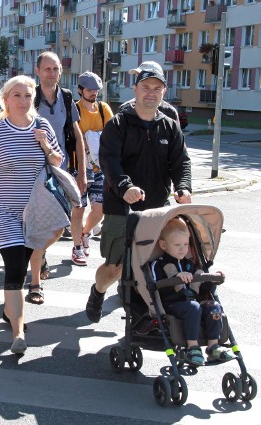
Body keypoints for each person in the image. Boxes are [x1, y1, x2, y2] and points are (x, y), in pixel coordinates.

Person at [85, 61, 192, 323]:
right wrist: (125, 187)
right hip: (121, 207)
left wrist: (183, 187)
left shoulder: (169, 126)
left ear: (163, 92)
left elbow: (181, 162)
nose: (151, 93)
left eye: (157, 88)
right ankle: (98, 291)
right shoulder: (119, 123)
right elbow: (109, 160)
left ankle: (144, 319)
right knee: (115, 267)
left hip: (156, 209)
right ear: (135, 89)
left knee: (151, 267)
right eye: (146, 87)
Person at [0, 75, 63, 354]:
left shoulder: (42, 126)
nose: (23, 101)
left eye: (28, 96)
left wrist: (45, 144)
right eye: (17, 96)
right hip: (3, 210)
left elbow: (58, 161)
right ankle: (18, 333)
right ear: (5, 99)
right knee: (13, 265)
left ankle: (10, 309)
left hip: (37, 212)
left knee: (21, 266)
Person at [32, 51, 87, 282]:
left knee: (71, 209)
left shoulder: (66, 97)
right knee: (41, 216)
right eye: (47, 69)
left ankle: (72, 246)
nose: (51, 73)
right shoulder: (30, 97)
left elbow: (77, 134)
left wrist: (82, 172)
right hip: (35, 168)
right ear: (37, 71)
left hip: (61, 166)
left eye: (55, 69)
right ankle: (40, 256)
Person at [150, 217, 234, 365]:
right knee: (193, 308)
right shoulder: (158, 264)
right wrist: (176, 278)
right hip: (170, 303)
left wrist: (212, 280)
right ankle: (192, 347)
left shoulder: (189, 264)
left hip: (192, 301)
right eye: (177, 245)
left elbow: (202, 288)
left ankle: (213, 346)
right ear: (163, 245)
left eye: (186, 244)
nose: (182, 248)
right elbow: (157, 286)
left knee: (214, 307)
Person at [70, 71, 114, 266]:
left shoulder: (104, 109)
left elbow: (113, 135)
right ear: (80, 90)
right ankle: (77, 247)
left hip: (99, 167)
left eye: (96, 90)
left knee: (100, 208)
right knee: (79, 208)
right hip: (79, 166)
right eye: (90, 90)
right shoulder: (74, 109)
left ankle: (85, 234)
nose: (94, 93)